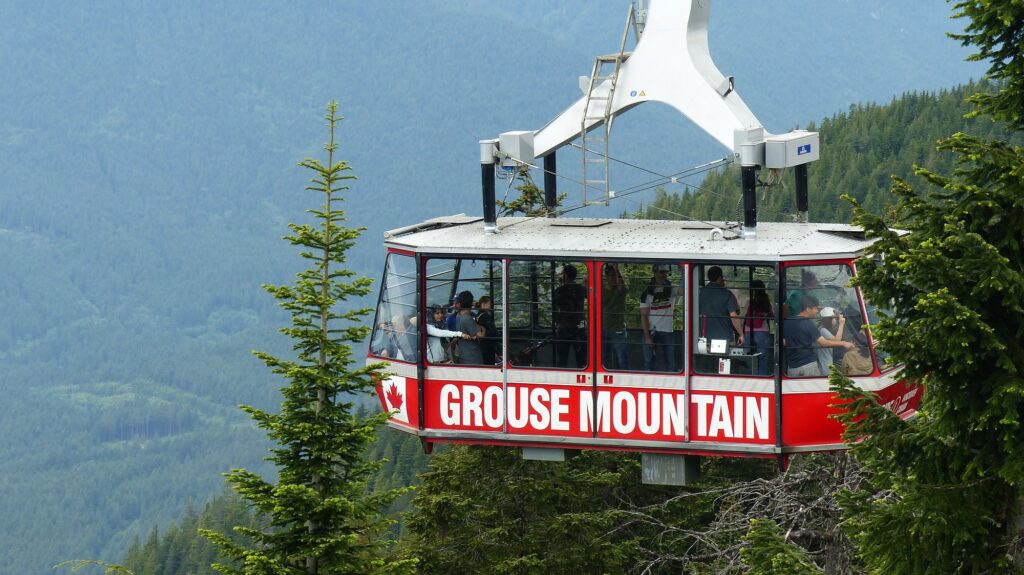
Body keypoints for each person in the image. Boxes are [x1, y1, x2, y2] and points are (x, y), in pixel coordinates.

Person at [783, 296, 855, 377]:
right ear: (808, 309)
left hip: (792, 367)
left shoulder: (787, 322)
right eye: (815, 309)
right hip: (808, 365)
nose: (817, 311)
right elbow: (823, 343)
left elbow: (784, 342)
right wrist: (844, 343)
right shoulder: (808, 324)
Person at [640, 264, 680, 372]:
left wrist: (683, 272)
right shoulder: (647, 292)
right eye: (661, 272)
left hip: (668, 330)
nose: (664, 275)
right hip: (651, 331)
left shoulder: (671, 288)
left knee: (670, 363)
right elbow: (644, 316)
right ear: (655, 273)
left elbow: (685, 290)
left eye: (666, 272)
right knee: (649, 362)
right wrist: (647, 337)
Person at [699, 266, 744, 349]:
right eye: (722, 277)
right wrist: (741, 334)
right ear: (719, 278)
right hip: (725, 337)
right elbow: (734, 316)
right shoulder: (727, 294)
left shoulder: (700, 292)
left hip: (704, 337)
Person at [553, 264, 587, 368]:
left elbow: (556, 309)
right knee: (581, 360)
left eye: (563, 274)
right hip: (579, 326)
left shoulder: (559, 291)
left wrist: (556, 323)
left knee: (562, 359)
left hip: (564, 326)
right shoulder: (581, 289)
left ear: (566, 275)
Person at [602, 263, 629, 370]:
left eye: (614, 276)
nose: (612, 278)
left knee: (622, 359)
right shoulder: (601, 290)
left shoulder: (620, 290)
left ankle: (624, 377)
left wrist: (616, 268)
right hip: (603, 329)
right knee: (603, 359)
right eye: (610, 275)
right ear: (606, 276)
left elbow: (622, 285)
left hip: (618, 330)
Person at [745, 279, 775, 375]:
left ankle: (750, 376)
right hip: (762, 332)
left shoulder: (749, 301)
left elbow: (746, 315)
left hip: (748, 331)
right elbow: (772, 316)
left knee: (748, 358)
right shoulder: (767, 302)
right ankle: (762, 377)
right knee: (763, 358)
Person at [454, 290, 484, 365]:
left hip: (463, 354)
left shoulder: (458, 315)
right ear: (471, 303)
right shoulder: (467, 318)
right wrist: (483, 328)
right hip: (473, 356)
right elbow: (481, 335)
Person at [815, 307, 848, 375]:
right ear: (829, 320)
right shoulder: (822, 330)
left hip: (826, 362)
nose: (835, 320)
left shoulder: (821, 328)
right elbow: (837, 340)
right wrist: (841, 324)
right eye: (834, 318)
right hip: (825, 365)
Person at [475, 296, 499, 365]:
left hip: (483, 344)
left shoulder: (478, 315)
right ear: (483, 304)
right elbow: (492, 331)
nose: (491, 305)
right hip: (487, 345)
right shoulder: (484, 316)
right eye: (489, 303)